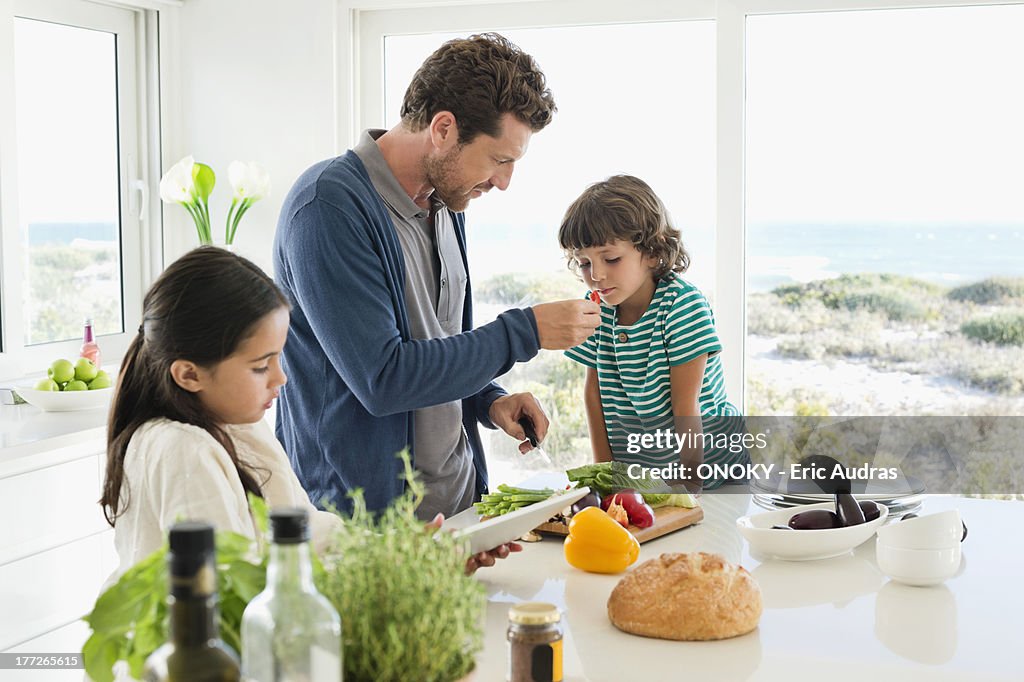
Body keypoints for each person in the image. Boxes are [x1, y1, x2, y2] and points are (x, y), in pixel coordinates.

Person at [273, 33, 600, 519]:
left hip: (458, 509)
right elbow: (384, 378)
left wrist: (488, 399)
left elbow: (437, 342)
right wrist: (523, 332)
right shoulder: (327, 208)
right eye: (500, 159)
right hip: (364, 531)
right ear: (444, 128)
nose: (504, 182)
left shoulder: (448, 203)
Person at [99, 247, 512, 582]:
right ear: (189, 374)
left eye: (279, 358)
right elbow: (234, 593)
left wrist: (413, 558)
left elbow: (308, 532)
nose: (281, 377)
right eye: (260, 365)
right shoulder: (182, 451)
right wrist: (399, 574)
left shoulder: (235, 429)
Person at [559, 175, 747, 489]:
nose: (597, 276)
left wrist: (691, 483)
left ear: (651, 251)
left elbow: (687, 404)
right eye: (584, 263)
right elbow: (594, 394)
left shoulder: (681, 306)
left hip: (712, 469)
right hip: (649, 476)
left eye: (611, 259)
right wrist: (605, 473)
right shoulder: (596, 308)